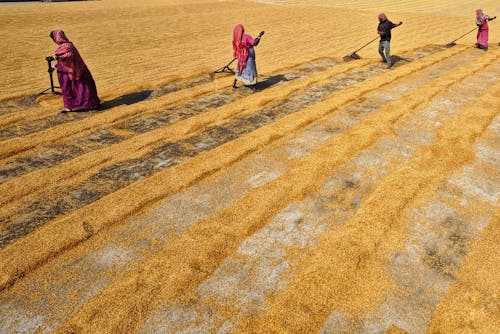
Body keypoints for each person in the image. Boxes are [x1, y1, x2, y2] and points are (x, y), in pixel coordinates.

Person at [49, 30, 100, 112]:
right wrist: (54, 67)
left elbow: (69, 55)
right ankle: (77, 105)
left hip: (74, 73)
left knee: (75, 88)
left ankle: (87, 105)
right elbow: (63, 61)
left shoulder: (67, 46)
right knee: (74, 89)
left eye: (54, 38)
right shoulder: (66, 46)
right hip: (70, 72)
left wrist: (55, 58)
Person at [232, 24, 263, 90]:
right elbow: (254, 43)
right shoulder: (246, 37)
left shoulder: (236, 39)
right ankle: (254, 88)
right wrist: (260, 36)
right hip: (248, 57)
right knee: (252, 71)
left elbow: (235, 49)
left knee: (240, 70)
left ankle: (234, 84)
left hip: (240, 58)